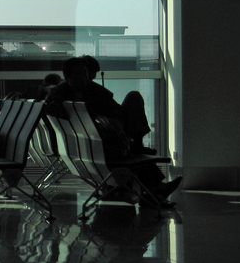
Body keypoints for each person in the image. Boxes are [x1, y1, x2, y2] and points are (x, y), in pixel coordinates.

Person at [44, 57, 181, 201]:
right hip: (99, 147)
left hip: (87, 146)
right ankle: (154, 185)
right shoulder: (89, 91)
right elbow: (115, 111)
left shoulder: (60, 94)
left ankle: (154, 186)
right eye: (80, 73)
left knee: (132, 151)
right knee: (133, 148)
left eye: (85, 73)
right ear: (68, 76)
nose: (85, 77)